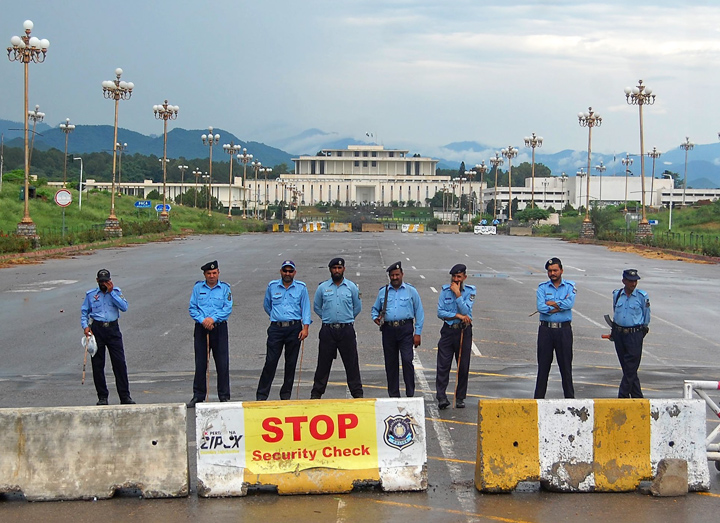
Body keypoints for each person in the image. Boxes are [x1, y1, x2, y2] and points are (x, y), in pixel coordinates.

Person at [256, 260, 311, 400]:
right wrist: (277, 317)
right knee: (270, 362)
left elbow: (305, 309)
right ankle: (261, 396)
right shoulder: (272, 286)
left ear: (294, 273)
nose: (287, 273)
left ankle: (286, 395)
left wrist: (305, 328)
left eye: (290, 271)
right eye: (285, 271)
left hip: (294, 329)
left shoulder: (301, 288)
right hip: (276, 329)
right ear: (281, 271)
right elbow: (267, 305)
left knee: (291, 363)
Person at [80, 268, 135, 405]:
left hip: (113, 329)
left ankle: (125, 396)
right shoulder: (91, 295)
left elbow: (124, 307)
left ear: (110, 280)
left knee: (119, 364)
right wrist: (85, 327)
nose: (104, 284)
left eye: (107, 281)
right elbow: (84, 312)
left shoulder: (116, 292)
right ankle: (102, 397)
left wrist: (112, 294)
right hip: (97, 329)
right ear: (97, 281)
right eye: (102, 281)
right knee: (98, 365)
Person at [311, 257, 363, 399]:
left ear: (344, 269)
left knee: (352, 363)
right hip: (328, 330)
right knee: (323, 363)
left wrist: (346, 319)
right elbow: (317, 307)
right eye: (334, 268)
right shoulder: (323, 287)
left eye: (339, 268)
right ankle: (316, 394)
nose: (337, 271)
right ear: (330, 270)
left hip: (346, 330)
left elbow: (357, 307)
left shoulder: (351, 287)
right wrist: (328, 318)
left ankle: (357, 393)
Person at [371, 261, 424, 398]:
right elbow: (375, 309)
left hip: (405, 329)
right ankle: (394, 395)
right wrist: (375, 317)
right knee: (391, 363)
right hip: (388, 330)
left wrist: (417, 333)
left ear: (402, 274)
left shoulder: (411, 291)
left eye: (397, 275)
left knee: (407, 360)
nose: (395, 278)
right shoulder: (384, 292)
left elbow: (419, 312)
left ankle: (410, 393)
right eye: (392, 275)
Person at [187, 260, 233, 407]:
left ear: (218, 273)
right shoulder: (198, 288)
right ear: (204, 274)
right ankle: (198, 395)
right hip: (202, 328)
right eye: (209, 273)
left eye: (214, 273)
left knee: (222, 363)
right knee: (200, 363)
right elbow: (193, 308)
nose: (212, 276)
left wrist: (212, 319)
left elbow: (227, 308)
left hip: (219, 327)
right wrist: (203, 320)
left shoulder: (225, 288)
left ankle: (224, 396)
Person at [534, 257, 576, 399]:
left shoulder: (570, 286)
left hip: (563, 331)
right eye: (550, 271)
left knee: (566, 368)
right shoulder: (542, 288)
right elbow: (541, 307)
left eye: (555, 270)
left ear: (561, 271)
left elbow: (569, 304)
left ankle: (570, 401)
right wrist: (559, 305)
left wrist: (552, 304)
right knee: (543, 368)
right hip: (546, 331)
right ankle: (538, 401)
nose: (552, 273)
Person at [435, 264, 476, 409]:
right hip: (448, 330)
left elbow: (466, 310)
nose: (456, 279)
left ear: (464, 277)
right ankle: (441, 396)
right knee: (443, 364)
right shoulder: (445, 291)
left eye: (459, 277)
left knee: (463, 365)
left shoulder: (470, 291)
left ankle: (460, 397)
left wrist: (458, 294)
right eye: (454, 277)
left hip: (463, 331)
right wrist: (457, 315)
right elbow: (440, 312)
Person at [611, 269, 650, 399]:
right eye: (630, 281)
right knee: (628, 368)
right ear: (624, 281)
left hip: (634, 334)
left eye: (635, 281)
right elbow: (615, 311)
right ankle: (638, 397)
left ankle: (622, 396)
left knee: (630, 367)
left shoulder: (642, 296)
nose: (633, 284)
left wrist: (640, 333)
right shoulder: (617, 295)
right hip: (619, 333)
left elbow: (646, 316)